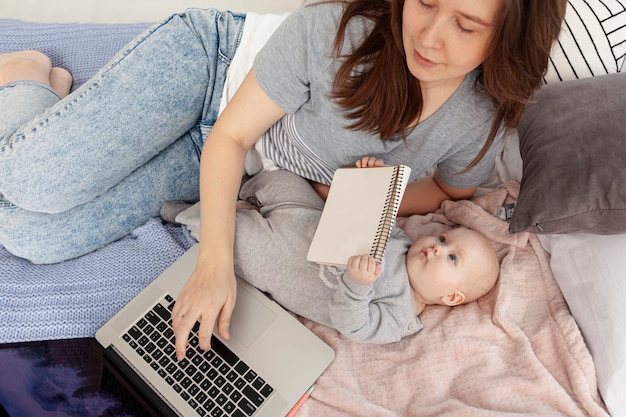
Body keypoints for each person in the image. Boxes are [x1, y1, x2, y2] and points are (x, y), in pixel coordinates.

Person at [0, 0, 567, 360]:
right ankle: (25, 74)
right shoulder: (336, 34)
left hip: (243, 163)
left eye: (465, 25)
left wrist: (353, 196)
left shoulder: (476, 118)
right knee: (25, 180)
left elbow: (449, 192)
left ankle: (49, 99)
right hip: (215, 78)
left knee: (32, 238)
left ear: (506, 39)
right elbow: (229, 136)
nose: (430, 36)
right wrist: (213, 266)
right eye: (424, 1)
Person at [232, 163, 500, 344]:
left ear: (451, 296)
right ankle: (232, 179)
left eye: (452, 258)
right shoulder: (404, 242)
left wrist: (358, 286)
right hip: (308, 216)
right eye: (443, 239)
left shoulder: (400, 316)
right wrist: (372, 179)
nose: (438, 247)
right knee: (281, 178)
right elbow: (371, 216)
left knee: (227, 234)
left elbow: (352, 325)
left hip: (286, 261)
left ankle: (201, 219)